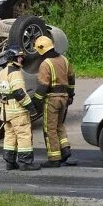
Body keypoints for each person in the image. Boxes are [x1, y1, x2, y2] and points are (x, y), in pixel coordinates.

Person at [33, 35, 77, 167]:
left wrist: (36, 100)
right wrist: (70, 95)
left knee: (49, 128)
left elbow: (43, 85)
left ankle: (54, 158)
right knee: (59, 125)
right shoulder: (64, 59)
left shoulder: (45, 64)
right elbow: (72, 78)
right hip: (64, 98)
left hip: (52, 99)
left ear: (41, 50)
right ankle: (65, 149)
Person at [0, 46, 41, 171]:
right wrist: (31, 107)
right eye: (19, 56)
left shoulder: (2, 72)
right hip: (18, 112)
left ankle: (10, 162)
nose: (21, 59)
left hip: (6, 112)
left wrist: (3, 108)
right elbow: (19, 93)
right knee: (24, 135)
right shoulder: (15, 73)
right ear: (12, 58)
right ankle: (25, 163)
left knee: (10, 135)